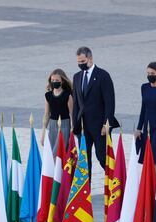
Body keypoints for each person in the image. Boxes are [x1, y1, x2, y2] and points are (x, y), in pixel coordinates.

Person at [72, 46, 119, 178]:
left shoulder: (103, 75)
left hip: (100, 126)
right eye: (78, 62)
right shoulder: (77, 77)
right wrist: (74, 125)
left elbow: (110, 102)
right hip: (83, 126)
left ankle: (115, 184)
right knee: (84, 162)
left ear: (90, 58)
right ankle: (86, 192)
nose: (80, 65)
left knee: (103, 157)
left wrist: (106, 123)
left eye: (83, 61)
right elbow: (76, 103)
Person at [42, 69, 73, 156]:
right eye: (52, 80)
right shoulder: (48, 95)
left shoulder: (67, 95)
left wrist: (72, 127)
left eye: (57, 80)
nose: (54, 82)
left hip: (64, 125)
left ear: (62, 81)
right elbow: (47, 114)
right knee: (52, 152)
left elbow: (71, 113)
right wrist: (44, 132)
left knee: (60, 152)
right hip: (52, 126)